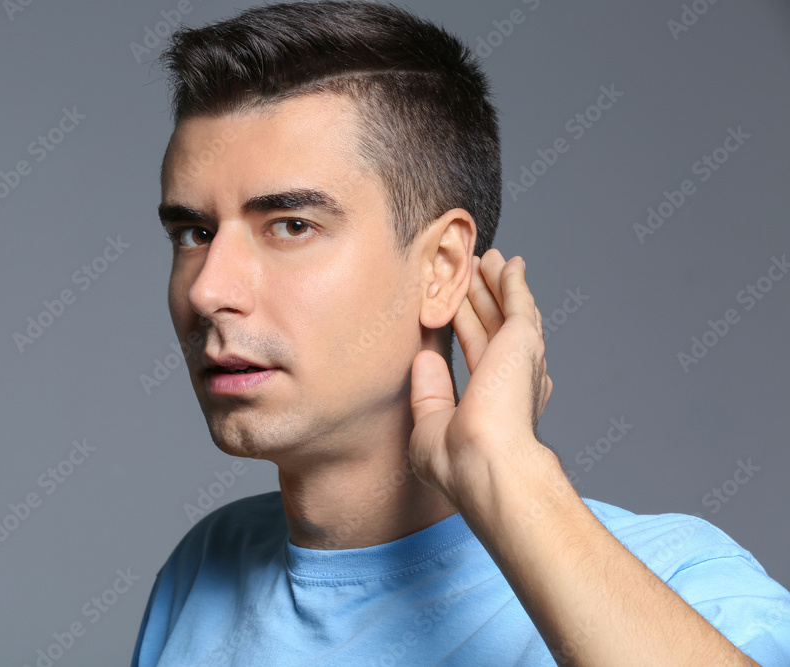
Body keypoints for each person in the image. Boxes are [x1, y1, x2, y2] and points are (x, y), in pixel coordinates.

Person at [132, 2, 790, 664]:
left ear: (441, 268)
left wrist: (510, 477)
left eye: (292, 225)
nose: (208, 289)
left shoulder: (684, 583)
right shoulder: (204, 571)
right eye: (194, 233)